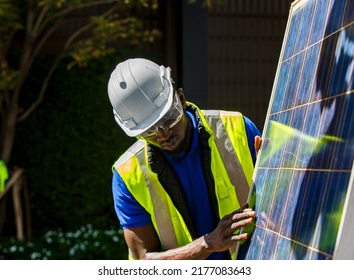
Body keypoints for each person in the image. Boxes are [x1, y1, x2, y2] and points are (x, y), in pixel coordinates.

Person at [108, 58, 262, 260]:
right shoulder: (128, 176)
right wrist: (206, 244)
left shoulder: (239, 129)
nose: (163, 135)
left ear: (180, 98)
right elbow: (143, 261)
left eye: (168, 118)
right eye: (149, 131)